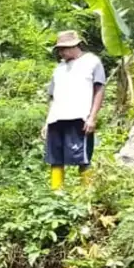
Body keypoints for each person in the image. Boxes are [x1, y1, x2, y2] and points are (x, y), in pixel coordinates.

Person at [41, 30, 106, 190]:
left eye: (64, 49)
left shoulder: (92, 62)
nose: (61, 52)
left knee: (82, 158)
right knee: (55, 159)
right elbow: (53, 97)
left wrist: (92, 117)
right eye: (59, 49)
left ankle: (87, 195)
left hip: (79, 118)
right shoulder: (59, 69)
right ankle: (56, 194)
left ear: (75, 46)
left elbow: (99, 89)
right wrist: (47, 122)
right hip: (57, 119)